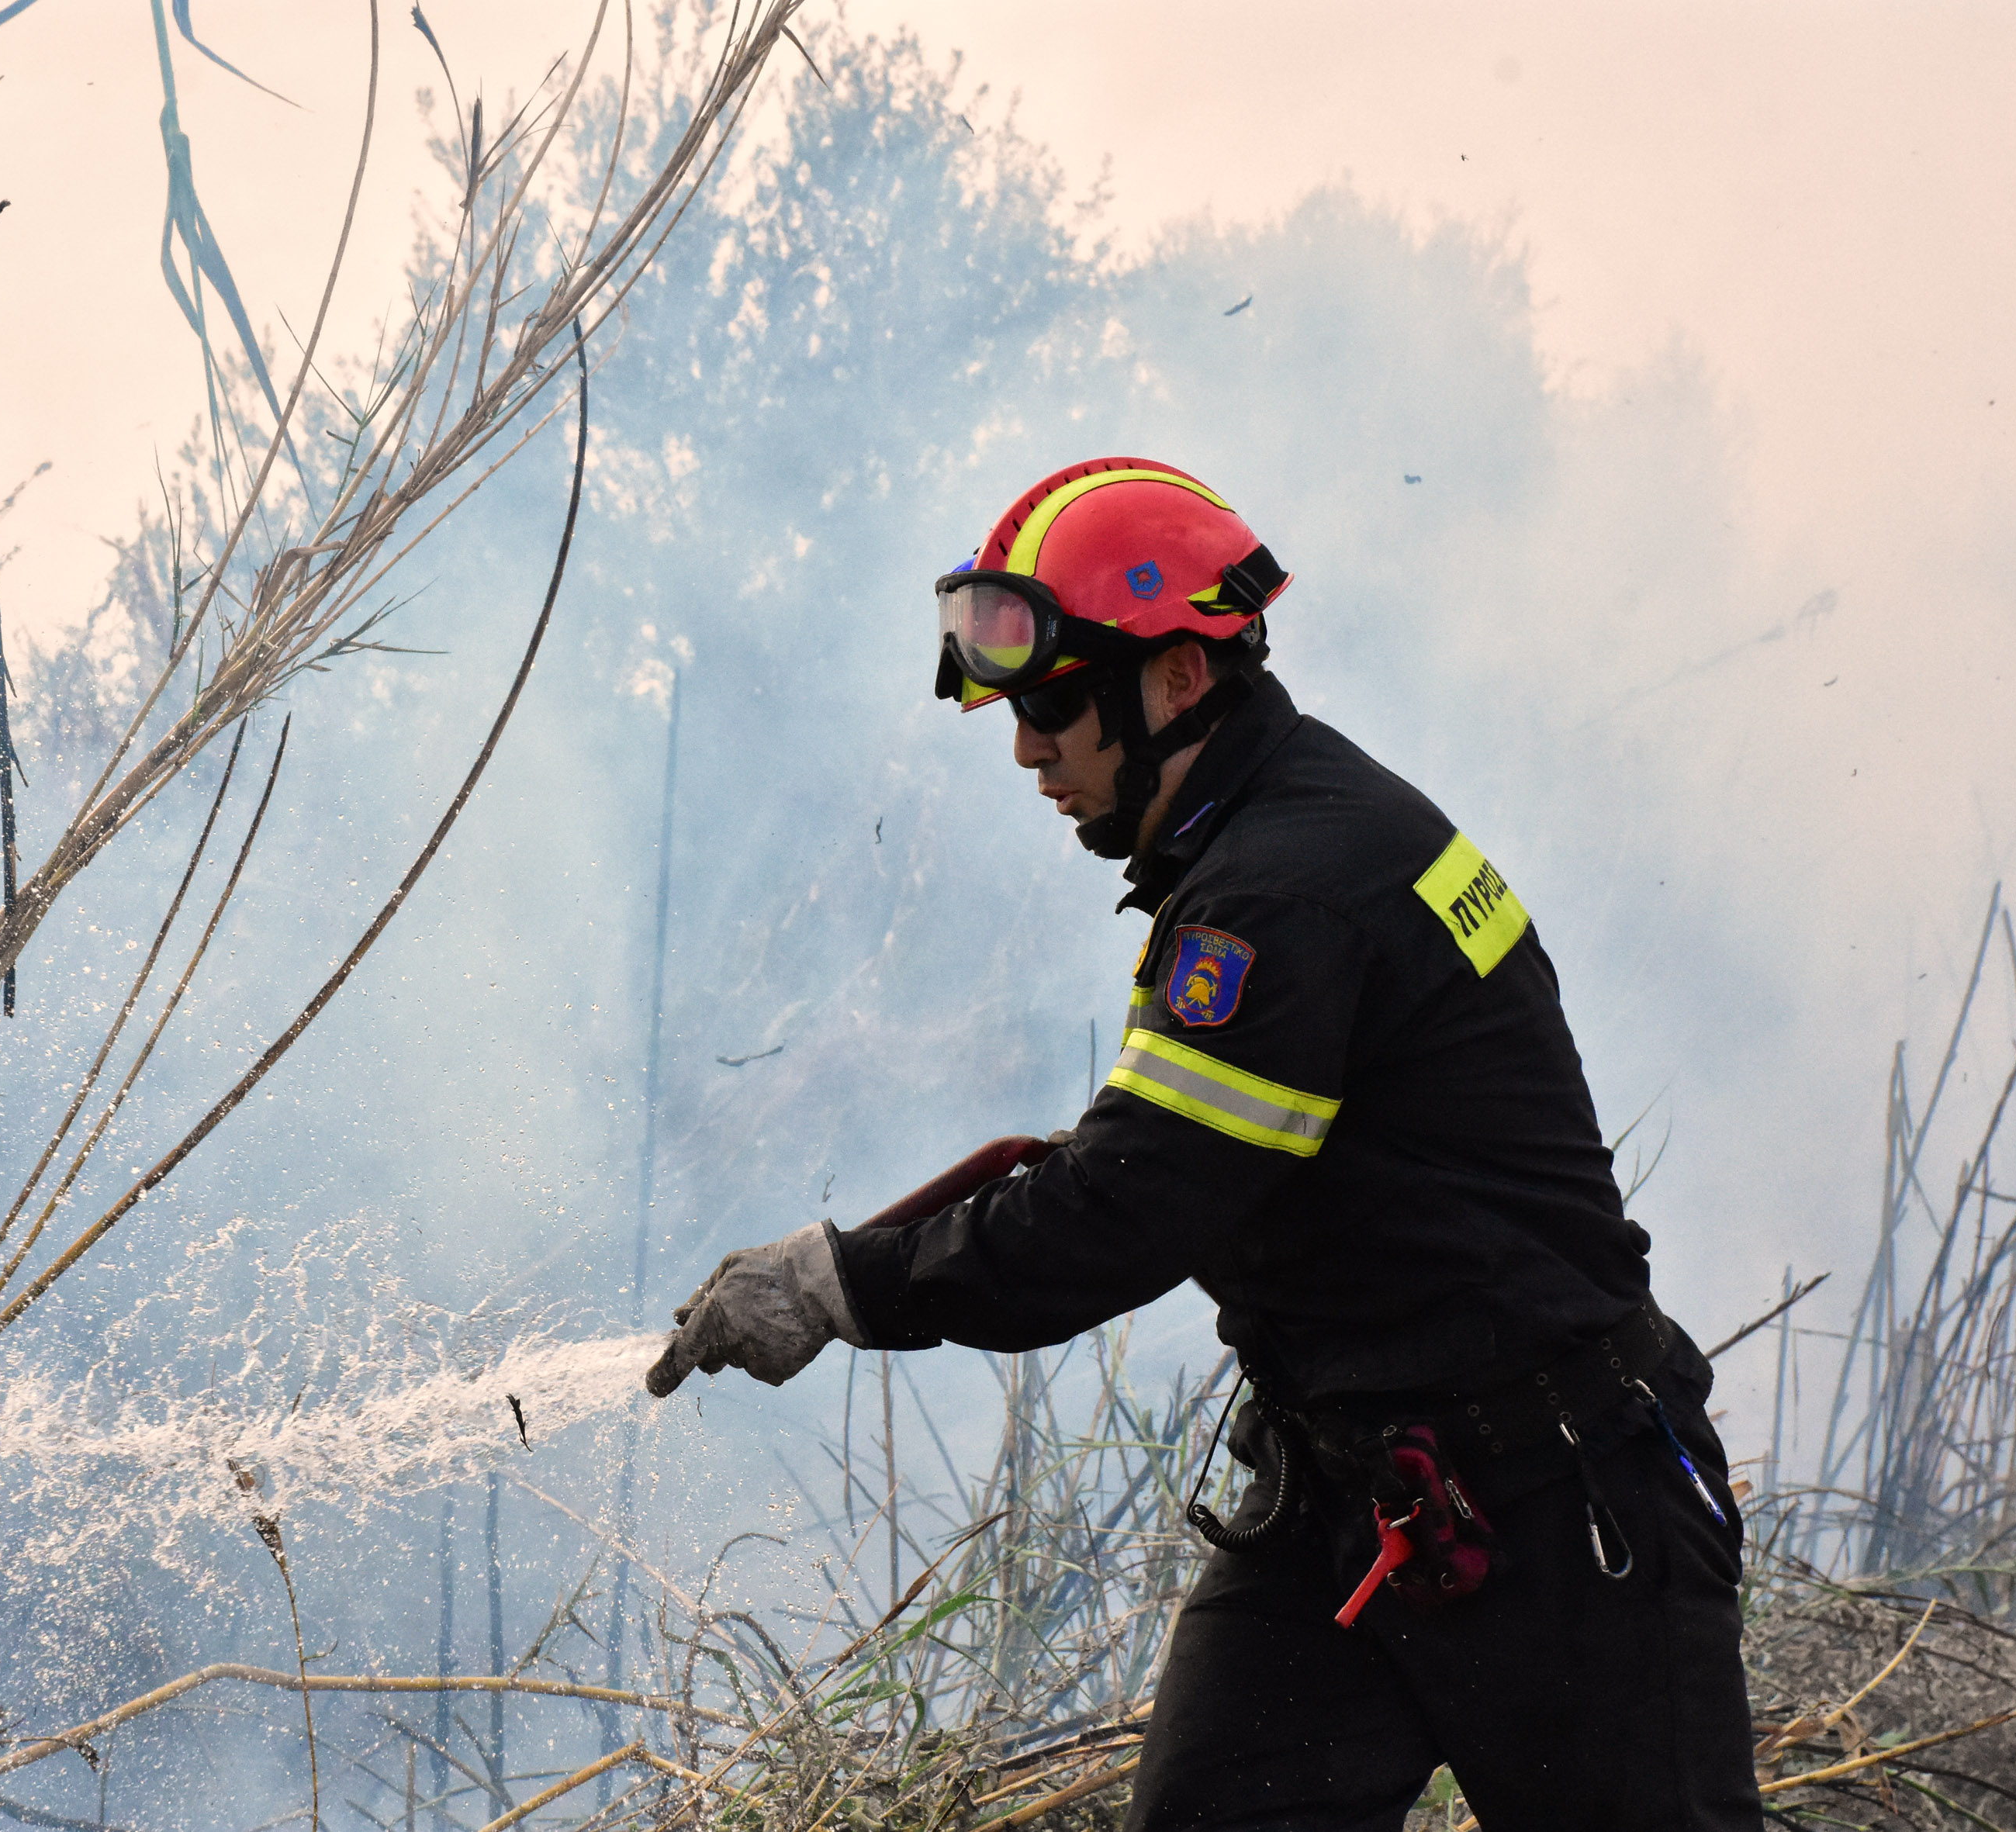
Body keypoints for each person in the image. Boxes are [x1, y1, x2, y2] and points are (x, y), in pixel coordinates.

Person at [645, 457, 1763, 1831]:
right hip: (1355, 1499)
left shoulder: (1281, 893)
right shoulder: (1278, 836)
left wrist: (843, 1287)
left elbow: (1126, 1208)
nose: (1027, 749)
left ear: (1177, 678)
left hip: (1558, 1514)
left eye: (1053, 703)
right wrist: (882, 1252)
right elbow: (1180, 1163)